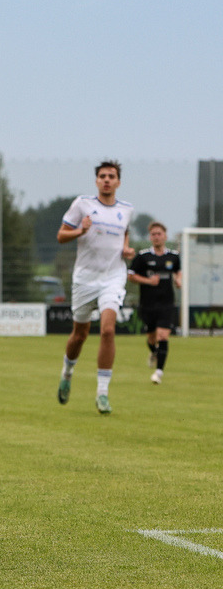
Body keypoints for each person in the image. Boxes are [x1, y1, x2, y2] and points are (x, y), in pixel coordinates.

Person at [55, 160, 135, 414]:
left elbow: (124, 232)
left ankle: (102, 393)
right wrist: (80, 231)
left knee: (108, 331)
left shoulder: (126, 209)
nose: (107, 180)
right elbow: (61, 236)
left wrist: (126, 248)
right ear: (96, 181)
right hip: (85, 279)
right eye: (102, 176)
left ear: (118, 182)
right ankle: (67, 373)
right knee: (79, 335)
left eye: (111, 176)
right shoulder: (83, 204)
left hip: (113, 277)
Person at [127, 221, 181, 384]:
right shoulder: (143, 256)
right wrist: (148, 281)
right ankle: (153, 352)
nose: (156, 237)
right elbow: (131, 275)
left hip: (167, 303)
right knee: (151, 338)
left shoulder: (173, 256)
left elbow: (178, 272)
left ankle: (158, 373)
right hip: (148, 304)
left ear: (165, 236)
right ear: (150, 237)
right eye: (153, 234)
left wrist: (178, 280)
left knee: (163, 335)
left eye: (159, 234)